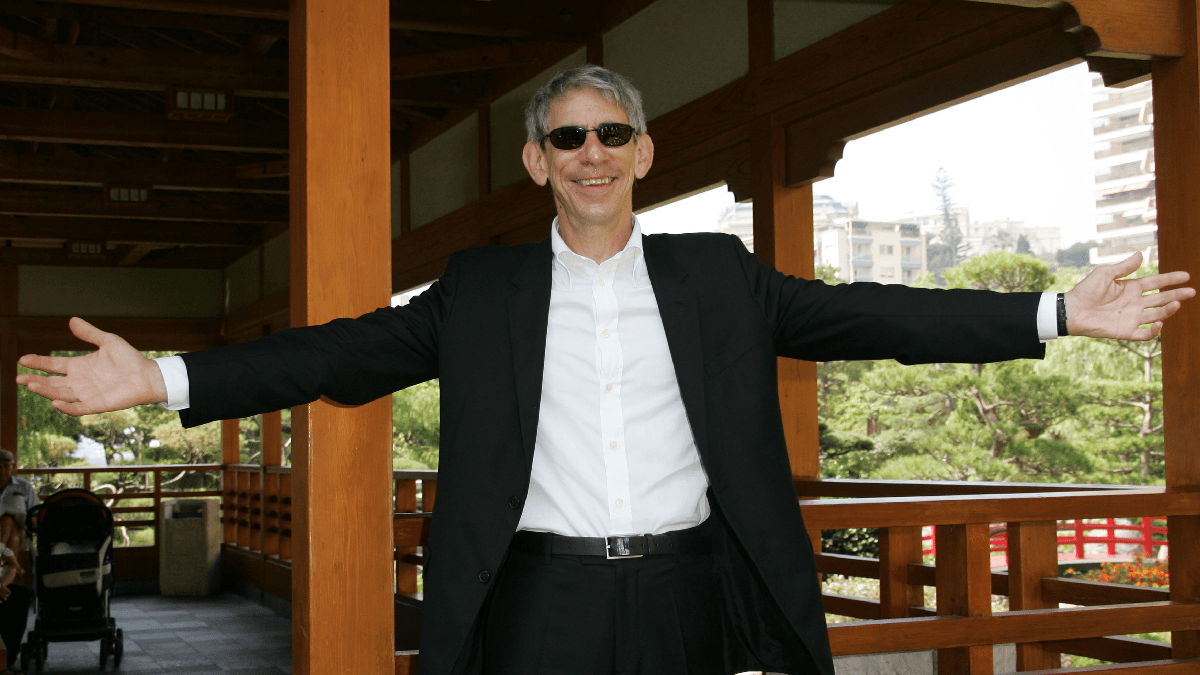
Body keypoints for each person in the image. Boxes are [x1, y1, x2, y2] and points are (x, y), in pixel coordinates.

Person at [15, 66, 1194, 675]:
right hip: (541, 597)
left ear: (644, 151)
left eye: (612, 133)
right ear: (537, 161)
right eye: (568, 137)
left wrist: (1054, 312)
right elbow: (337, 350)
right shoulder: (481, 291)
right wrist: (161, 381)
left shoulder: (716, 278)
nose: (592, 154)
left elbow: (870, 314)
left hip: (687, 584)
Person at [0, 449, 38, 672]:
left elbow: (35, 515)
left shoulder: (24, 487)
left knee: (10, 523)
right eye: (0, 466)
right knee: (8, 528)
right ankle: (5, 580)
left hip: (20, 535)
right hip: (8, 540)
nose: (4, 470)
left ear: (13, 466)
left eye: (7, 465)